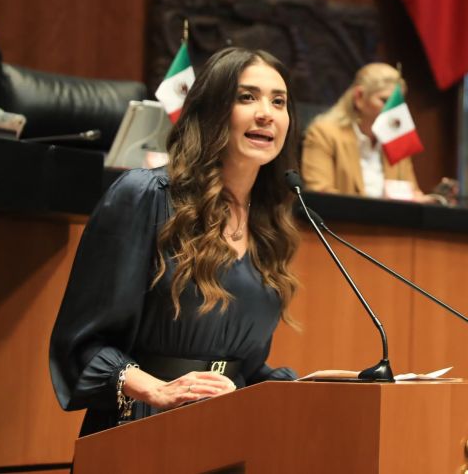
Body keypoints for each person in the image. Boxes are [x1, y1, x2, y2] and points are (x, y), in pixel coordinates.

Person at [50, 47, 302, 436]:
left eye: (278, 101)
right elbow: (82, 343)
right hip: (143, 424)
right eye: (247, 97)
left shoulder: (269, 224)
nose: (266, 113)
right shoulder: (146, 196)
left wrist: (321, 384)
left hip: (228, 430)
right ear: (213, 109)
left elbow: (243, 366)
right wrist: (156, 390)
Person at [301, 62, 425, 199]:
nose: (393, 110)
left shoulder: (397, 137)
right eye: (385, 101)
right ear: (359, 97)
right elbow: (319, 193)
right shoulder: (323, 133)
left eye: (397, 103)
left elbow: (412, 195)